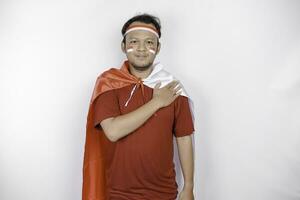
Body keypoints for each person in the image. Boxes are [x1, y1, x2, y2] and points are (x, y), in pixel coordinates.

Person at [82, 13, 195, 200]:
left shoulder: (172, 88)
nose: (142, 48)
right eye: (134, 41)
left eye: (150, 42)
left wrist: (189, 187)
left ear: (158, 48)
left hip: (164, 193)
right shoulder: (108, 84)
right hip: (119, 194)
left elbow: (184, 138)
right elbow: (113, 131)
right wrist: (157, 103)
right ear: (124, 46)